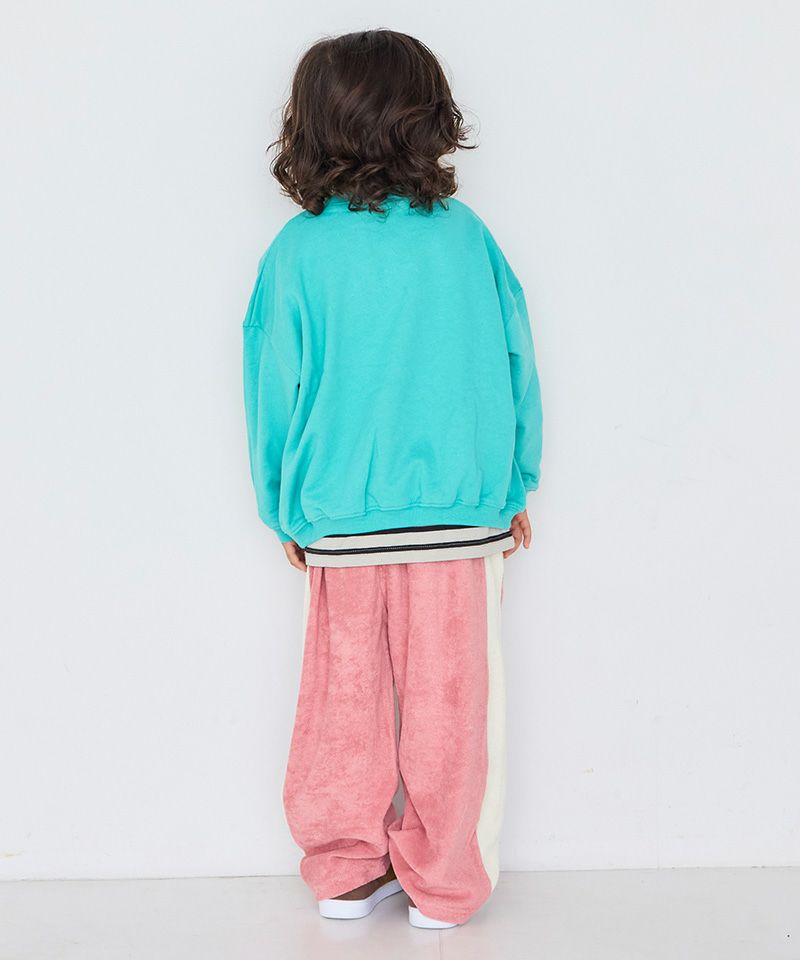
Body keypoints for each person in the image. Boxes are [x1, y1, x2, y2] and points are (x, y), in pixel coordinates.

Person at [243, 29, 543, 929]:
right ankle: (444, 886)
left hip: (337, 518)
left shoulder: (298, 252)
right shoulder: (465, 240)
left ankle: (343, 872)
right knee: (452, 706)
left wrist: (283, 509)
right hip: (458, 518)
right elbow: (513, 362)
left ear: (312, 124)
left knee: (343, 702)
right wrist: (514, 487)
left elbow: (273, 385)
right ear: (429, 118)